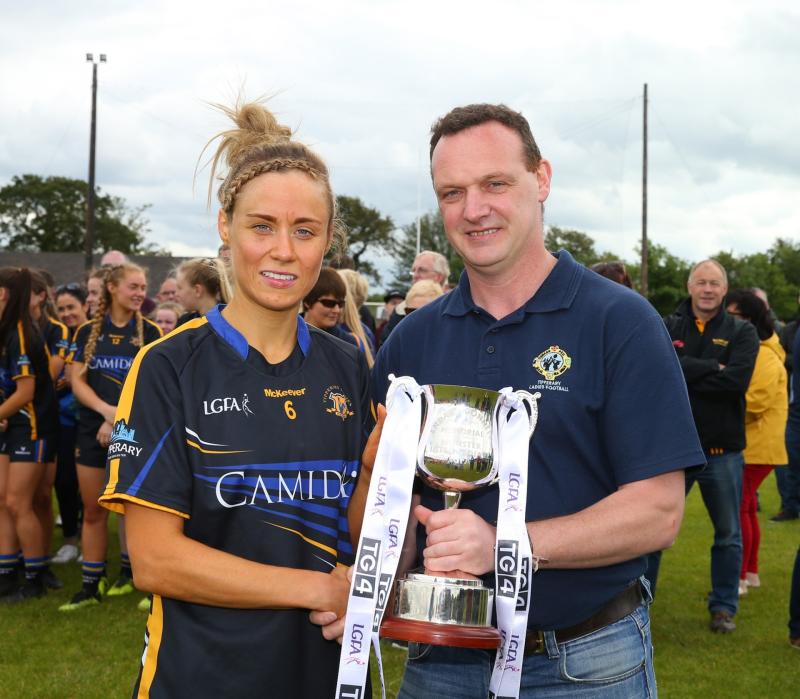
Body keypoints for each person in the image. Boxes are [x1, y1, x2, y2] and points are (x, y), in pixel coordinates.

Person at [315, 103, 704, 697]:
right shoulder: (411, 341)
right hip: (439, 661)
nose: (474, 210)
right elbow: (394, 509)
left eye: (494, 183)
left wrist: (503, 546)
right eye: (452, 192)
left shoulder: (621, 322)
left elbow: (658, 511)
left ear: (541, 179)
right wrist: (368, 591)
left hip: (585, 661)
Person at [97, 100, 378, 697]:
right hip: (201, 674)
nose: (283, 250)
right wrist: (315, 588)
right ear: (226, 227)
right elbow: (154, 560)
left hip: (325, 673)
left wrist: (375, 477)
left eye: (304, 231)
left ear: (327, 241)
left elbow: (356, 530)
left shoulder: (347, 364)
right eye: (261, 226)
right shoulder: (168, 366)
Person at [650, 260, 759, 633]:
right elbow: (661, 371)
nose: (708, 289)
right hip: (674, 452)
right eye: (701, 282)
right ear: (690, 286)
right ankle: (639, 602)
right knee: (651, 531)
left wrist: (688, 370)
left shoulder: (742, 331)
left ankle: (724, 607)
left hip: (722, 452)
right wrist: (714, 367)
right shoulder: (669, 325)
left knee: (728, 535)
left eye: (715, 283)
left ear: (725, 289)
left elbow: (737, 382)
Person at [59, 264, 162, 611]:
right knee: (92, 509)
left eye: (144, 287)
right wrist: (106, 412)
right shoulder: (88, 330)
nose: (140, 293)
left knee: (132, 509)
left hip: (133, 430)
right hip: (92, 428)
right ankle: (92, 583)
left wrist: (118, 419)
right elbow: (77, 382)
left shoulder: (150, 331)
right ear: (113, 288)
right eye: (133, 286)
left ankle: (137, 577)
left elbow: (152, 389)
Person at [0, 268, 59, 601]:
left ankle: (34, 578)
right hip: (13, 424)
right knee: (3, 502)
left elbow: (26, 391)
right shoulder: (6, 328)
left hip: (32, 427)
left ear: (4, 293)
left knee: (18, 503)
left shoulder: (22, 331)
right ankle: (6, 573)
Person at [725, 289, 788, 595]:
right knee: (746, 508)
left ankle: (739, 576)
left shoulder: (764, 354)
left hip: (757, 444)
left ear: (749, 318)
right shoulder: (763, 349)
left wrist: (720, 408)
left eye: (734, 315)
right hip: (757, 443)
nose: (727, 319)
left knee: (739, 508)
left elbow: (755, 401)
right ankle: (749, 572)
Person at [50, 283, 89, 565]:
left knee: (91, 487)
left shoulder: (94, 335)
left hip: (90, 419)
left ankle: (90, 542)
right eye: (61, 309)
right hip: (63, 419)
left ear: (84, 306)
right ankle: (69, 541)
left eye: (71, 307)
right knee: (64, 480)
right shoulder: (57, 336)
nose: (66, 314)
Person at [381, 251, 451, 344]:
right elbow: (387, 349)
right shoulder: (400, 309)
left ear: (438, 277)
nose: (415, 275)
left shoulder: (456, 309)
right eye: (413, 271)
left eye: (422, 270)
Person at [302, 267, 358, 348]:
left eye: (341, 304)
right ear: (307, 301)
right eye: (329, 303)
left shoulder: (347, 343)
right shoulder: (286, 335)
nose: (337, 310)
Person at [174, 257, 230, 327]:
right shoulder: (184, 320)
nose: (176, 294)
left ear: (197, 290)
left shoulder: (229, 322)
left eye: (180, 288)